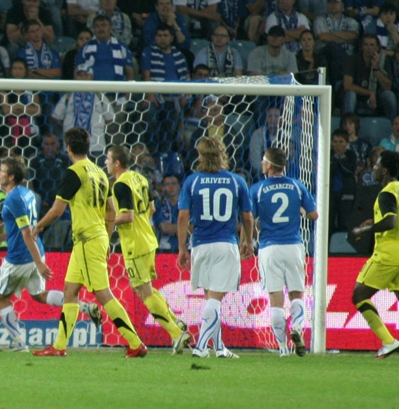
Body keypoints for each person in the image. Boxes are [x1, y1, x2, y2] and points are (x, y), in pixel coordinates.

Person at [32, 127, 147, 358]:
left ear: (68, 148)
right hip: (94, 239)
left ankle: (136, 343)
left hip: (87, 239)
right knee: (70, 290)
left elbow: (56, 210)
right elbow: (111, 211)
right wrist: (106, 239)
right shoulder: (100, 173)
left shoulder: (74, 173)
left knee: (103, 294)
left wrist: (38, 226)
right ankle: (59, 347)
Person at [0, 155, 101, 351]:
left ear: (11, 176)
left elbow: (26, 233)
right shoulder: (27, 194)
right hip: (36, 251)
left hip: (19, 258)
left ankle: (19, 344)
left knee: (1, 297)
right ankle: (86, 307)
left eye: (2, 171)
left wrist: (39, 264)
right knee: (40, 295)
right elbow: (20, 230)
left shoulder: (12, 199)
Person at [105, 145, 192, 354]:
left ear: (117, 163)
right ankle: (175, 322)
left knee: (143, 291)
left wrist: (105, 221)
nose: (106, 163)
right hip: (148, 239)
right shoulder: (141, 178)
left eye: (108, 159)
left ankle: (176, 334)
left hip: (135, 244)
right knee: (145, 289)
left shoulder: (121, 185)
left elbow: (127, 216)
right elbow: (151, 208)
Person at [177, 137, 254, 358]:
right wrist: (248, 241)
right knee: (214, 300)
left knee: (211, 299)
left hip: (200, 245)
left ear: (200, 156)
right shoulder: (237, 181)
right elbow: (247, 218)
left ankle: (219, 348)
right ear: (223, 155)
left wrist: (182, 248)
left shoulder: (192, 181)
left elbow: (182, 217)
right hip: (225, 245)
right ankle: (201, 347)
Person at [349, 150, 399, 359]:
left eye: (376, 165)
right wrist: (374, 222)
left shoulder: (386, 193)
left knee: (359, 295)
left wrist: (363, 230)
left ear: (384, 170)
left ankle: (388, 341)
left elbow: (390, 222)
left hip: (387, 254)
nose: (373, 168)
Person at [250, 147, 318, 356]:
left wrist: (248, 239)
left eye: (264, 161)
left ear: (270, 165)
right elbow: (314, 215)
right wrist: (301, 210)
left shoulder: (258, 189)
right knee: (297, 293)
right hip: (293, 246)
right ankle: (296, 328)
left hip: (269, 247)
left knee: (275, 298)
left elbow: (250, 218)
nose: (262, 164)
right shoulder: (297, 186)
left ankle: (282, 348)